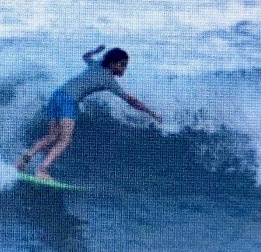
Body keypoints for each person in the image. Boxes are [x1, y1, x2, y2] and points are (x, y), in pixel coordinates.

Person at [17, 45, 163, 181]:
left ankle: (24, 159)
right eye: (122, 65)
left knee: (52, 136)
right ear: (112, 63)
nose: (124, 69)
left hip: (57, 95)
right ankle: (42, 170)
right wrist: (151, 113)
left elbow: (85, 56)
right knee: (65, 139)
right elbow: (132, 101)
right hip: (69, 101)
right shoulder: (108, 79)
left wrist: (96, 51)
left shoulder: (96, 64)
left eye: (125, 65)